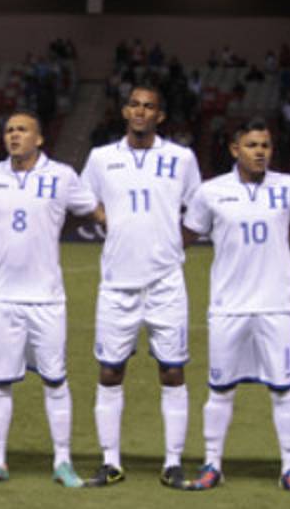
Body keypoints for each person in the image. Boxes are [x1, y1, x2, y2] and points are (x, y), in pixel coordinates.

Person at [0, 110, 99, 487]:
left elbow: (93, 209)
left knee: (55, 381)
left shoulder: (62, 176)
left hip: (46, 299)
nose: (14, 135)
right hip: (1, 297)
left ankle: (63, 461)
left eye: (22, 130)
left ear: (39, 138)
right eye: (9, 130)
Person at [79, 86, 201, 488]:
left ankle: (173, 463)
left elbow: (197, 208)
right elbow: (84, 198)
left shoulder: (181, 158)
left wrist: (173, 245)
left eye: (149, 106)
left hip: (166, 283)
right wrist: (107, 220)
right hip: (117, 284)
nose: (140, 111)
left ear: (160, 116)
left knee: (173, 371)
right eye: (134, 104)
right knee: (110, 371)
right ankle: (110, 462)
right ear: (124, 111)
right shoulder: (102, 158)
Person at [181, 118, 290, 493]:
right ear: (235, 149)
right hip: (228, 306)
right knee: (220, 389)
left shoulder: (289, 187)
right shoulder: (211, 192)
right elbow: (188, 233)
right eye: (252, 145)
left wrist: (283, 242)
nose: (260, 152)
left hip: (276, 305)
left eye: (265, 145)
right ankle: (212, 464)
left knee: (284, 389)